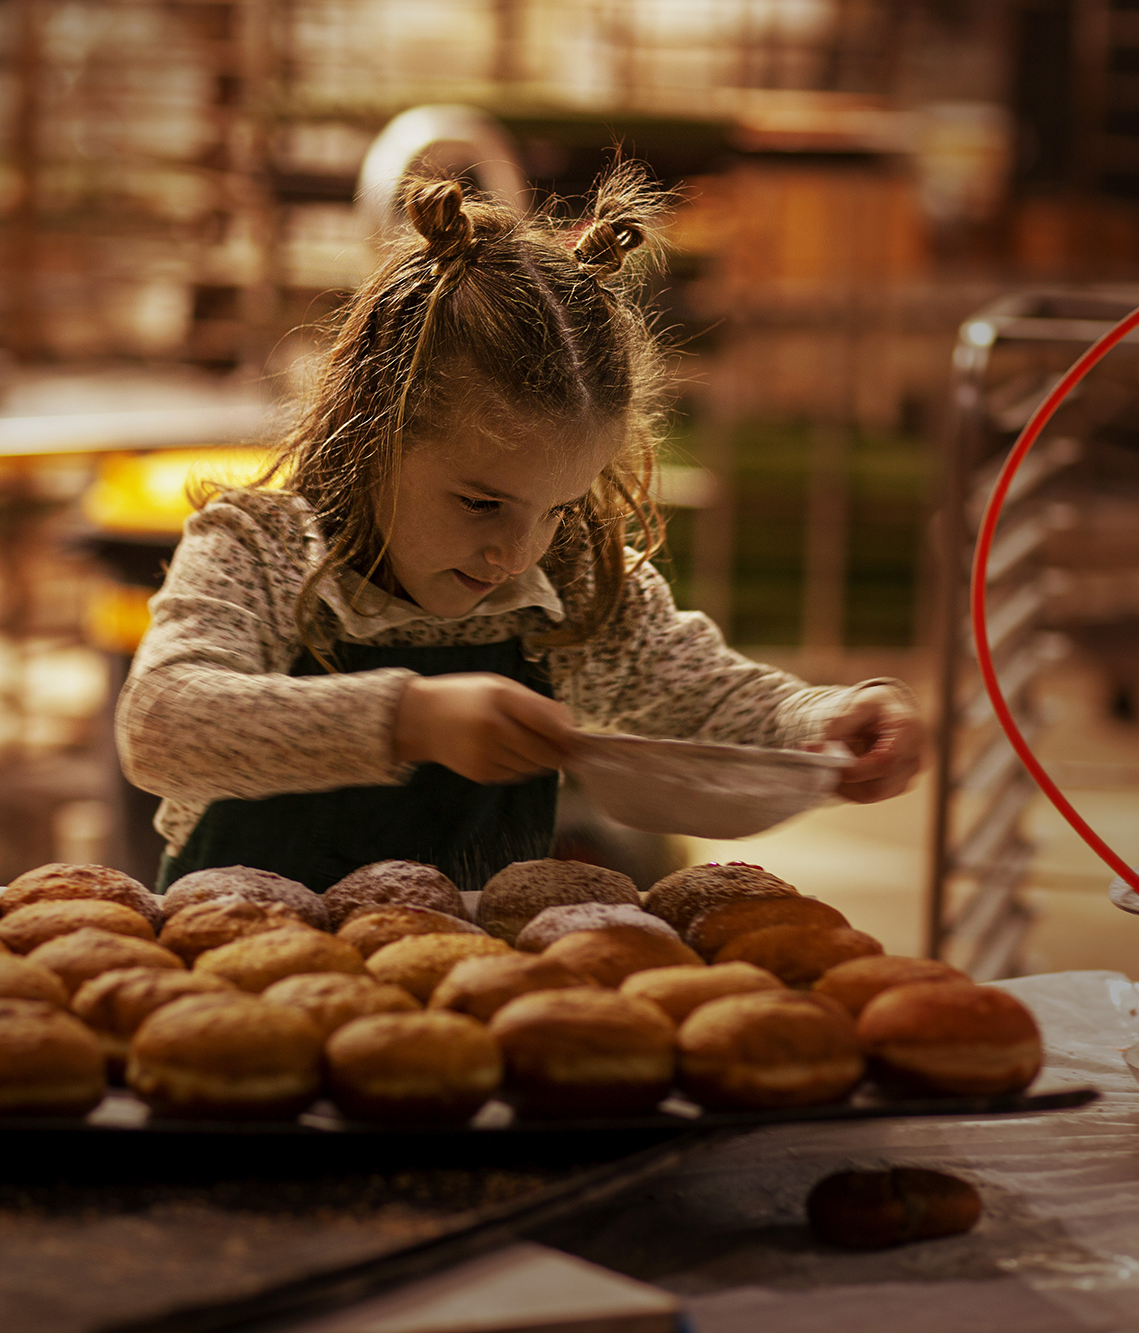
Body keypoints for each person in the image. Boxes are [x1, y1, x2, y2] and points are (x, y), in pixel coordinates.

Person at [117, 164, 923, 894]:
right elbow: (161, 724)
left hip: (470, 1000)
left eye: (559, 508)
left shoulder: (568, 585)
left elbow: (709, 699)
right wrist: (410, 720)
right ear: (374, 436)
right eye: (480, 502)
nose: (518, 551)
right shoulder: (259, 553)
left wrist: (823, 721)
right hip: (236, 983)